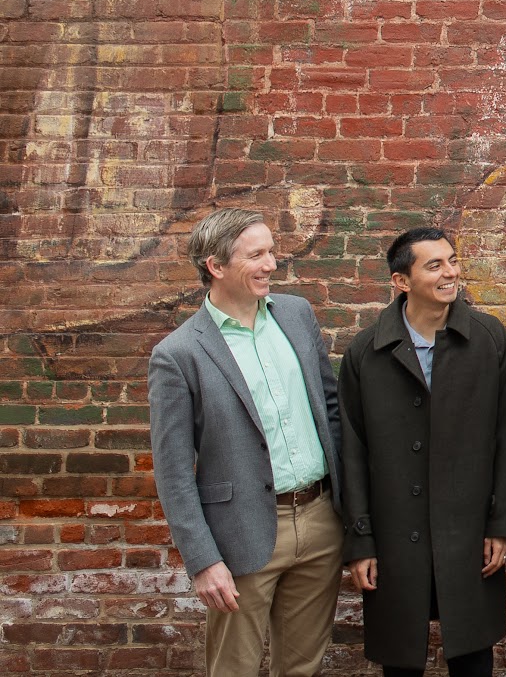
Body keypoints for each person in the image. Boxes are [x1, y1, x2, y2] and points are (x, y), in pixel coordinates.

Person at [147, 207, 344, 677]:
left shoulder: (296, 315)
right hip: (241, 534)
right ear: (216, 266)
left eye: (271, 252)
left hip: (320, 521)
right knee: (233, 668)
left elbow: (331, 410)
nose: (271, 264)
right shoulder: (178, 354)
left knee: (303, 667)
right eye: (256, 255)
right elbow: (173, 471)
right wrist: (203, 561)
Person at [340, 227, 506, 677]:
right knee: (400, 658)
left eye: (453, 261)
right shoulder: (366, 352)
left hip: (469, 530)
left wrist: (500, 525)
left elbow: (505, 436)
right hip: (395, 535)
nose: (450, 273)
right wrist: (360, 541)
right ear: (402, 281)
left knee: (473, 656)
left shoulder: (489, 339)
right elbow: (352, 452)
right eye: (435, 265)